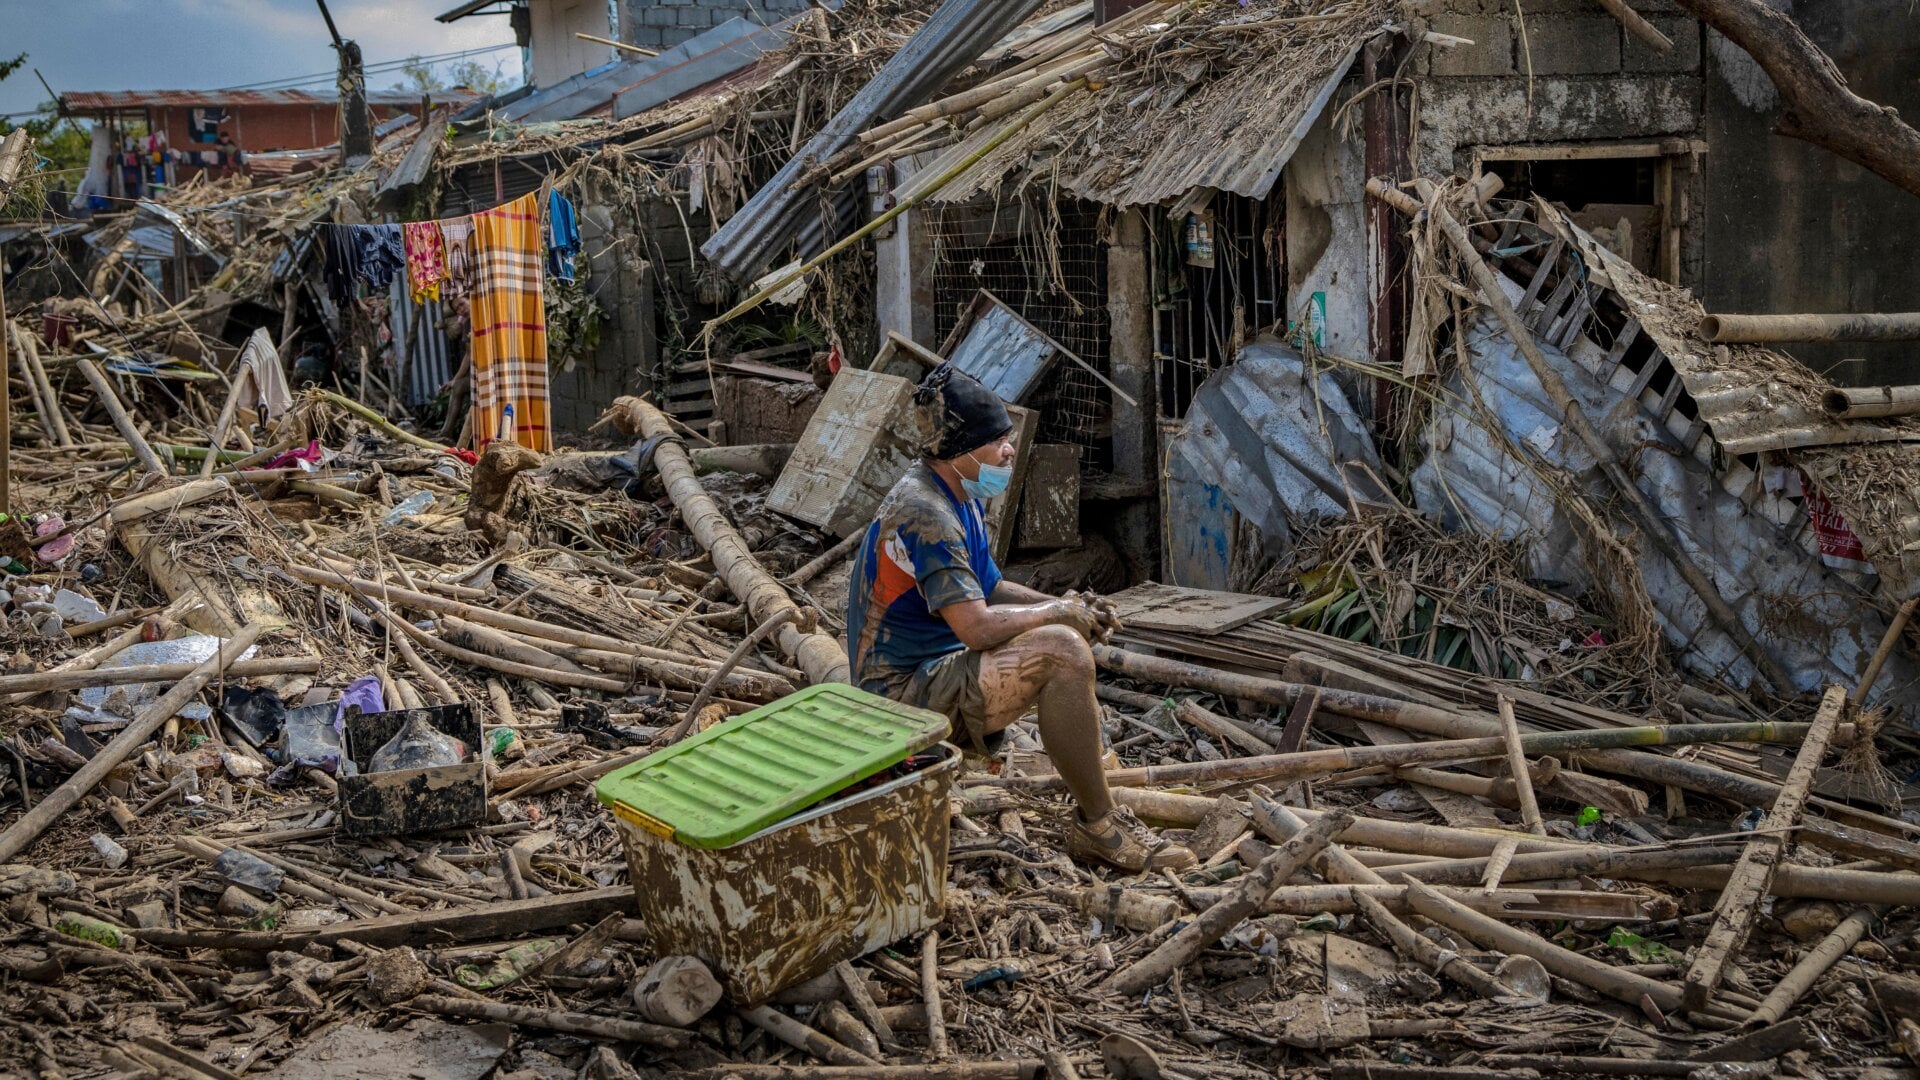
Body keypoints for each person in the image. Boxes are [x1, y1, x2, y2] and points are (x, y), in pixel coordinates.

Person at [847, 363, 1197, 872]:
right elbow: (978, 627)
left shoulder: (954, 494)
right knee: (1062, 653)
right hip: (897, 695)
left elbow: (988, 589)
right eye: (998, 441)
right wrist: (1057, 615)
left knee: (1061, 634)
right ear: (961, 451)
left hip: (929, 668)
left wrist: (1073, 605)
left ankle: (1093, 777)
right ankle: (1099, 826)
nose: (1009, 451)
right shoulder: (927, 515)